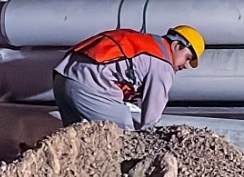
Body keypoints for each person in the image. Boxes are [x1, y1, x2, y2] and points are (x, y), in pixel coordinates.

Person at [53, 26, 205, 130]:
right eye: (187, 58)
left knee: (74, 138)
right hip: (89, 85)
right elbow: (151, 117)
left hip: (62, 77)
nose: (185, 65)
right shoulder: (163, 64)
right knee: (123, 135)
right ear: (177, 45)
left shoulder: (144, 43)